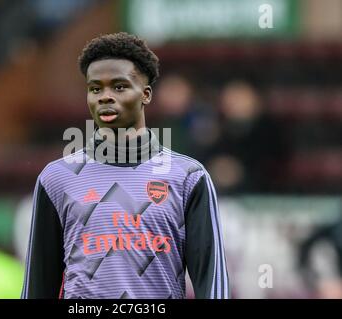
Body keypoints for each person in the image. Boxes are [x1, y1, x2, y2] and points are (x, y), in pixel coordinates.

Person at [21, 32, 229, 299]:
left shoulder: (188, 177)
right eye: (95, 88)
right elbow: (38, 287)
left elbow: (212, 284)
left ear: (146, 94)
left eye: (119, 87)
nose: (105, 97)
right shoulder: (56, 178)